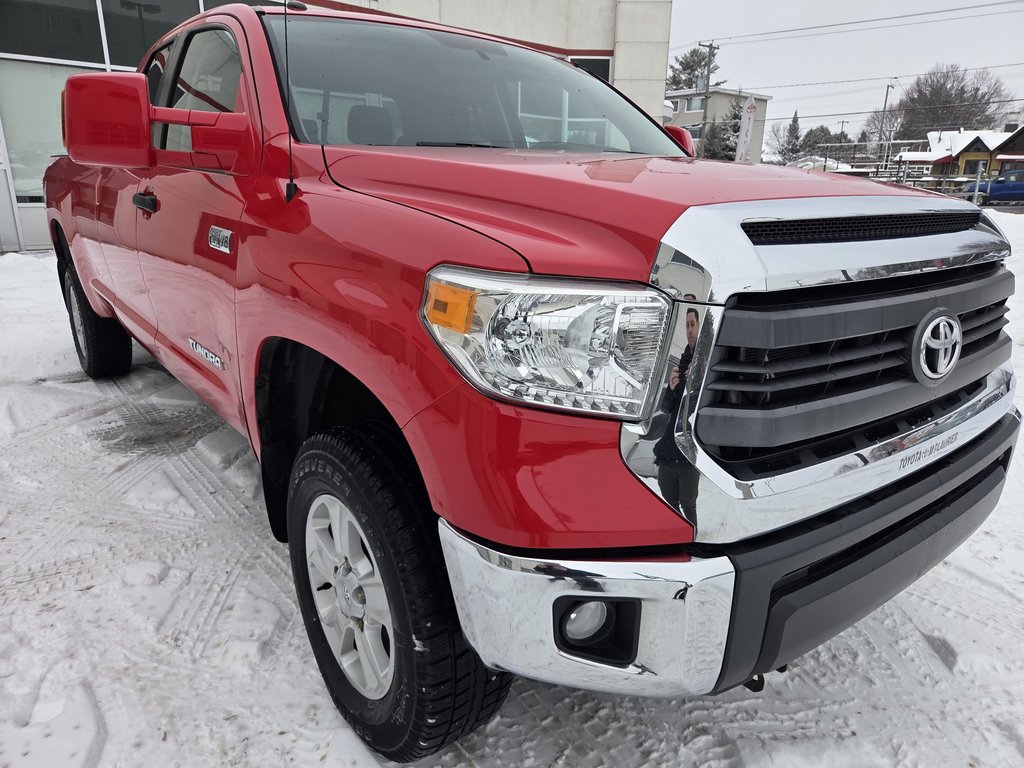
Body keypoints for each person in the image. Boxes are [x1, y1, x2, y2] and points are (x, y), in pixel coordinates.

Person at [652, 306, 701, 530]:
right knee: (669, 504)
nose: (690, 330)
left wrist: (696, 385)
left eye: (693, 324)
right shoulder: (682, 364)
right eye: (687, 325)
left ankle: (692, 538)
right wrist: (671, 390)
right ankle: (679, 536)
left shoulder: (707, 364)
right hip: (669, 451)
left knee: (688, 503)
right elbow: (666, 409)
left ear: (701, 327)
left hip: (690, 454)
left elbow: (702, 412)